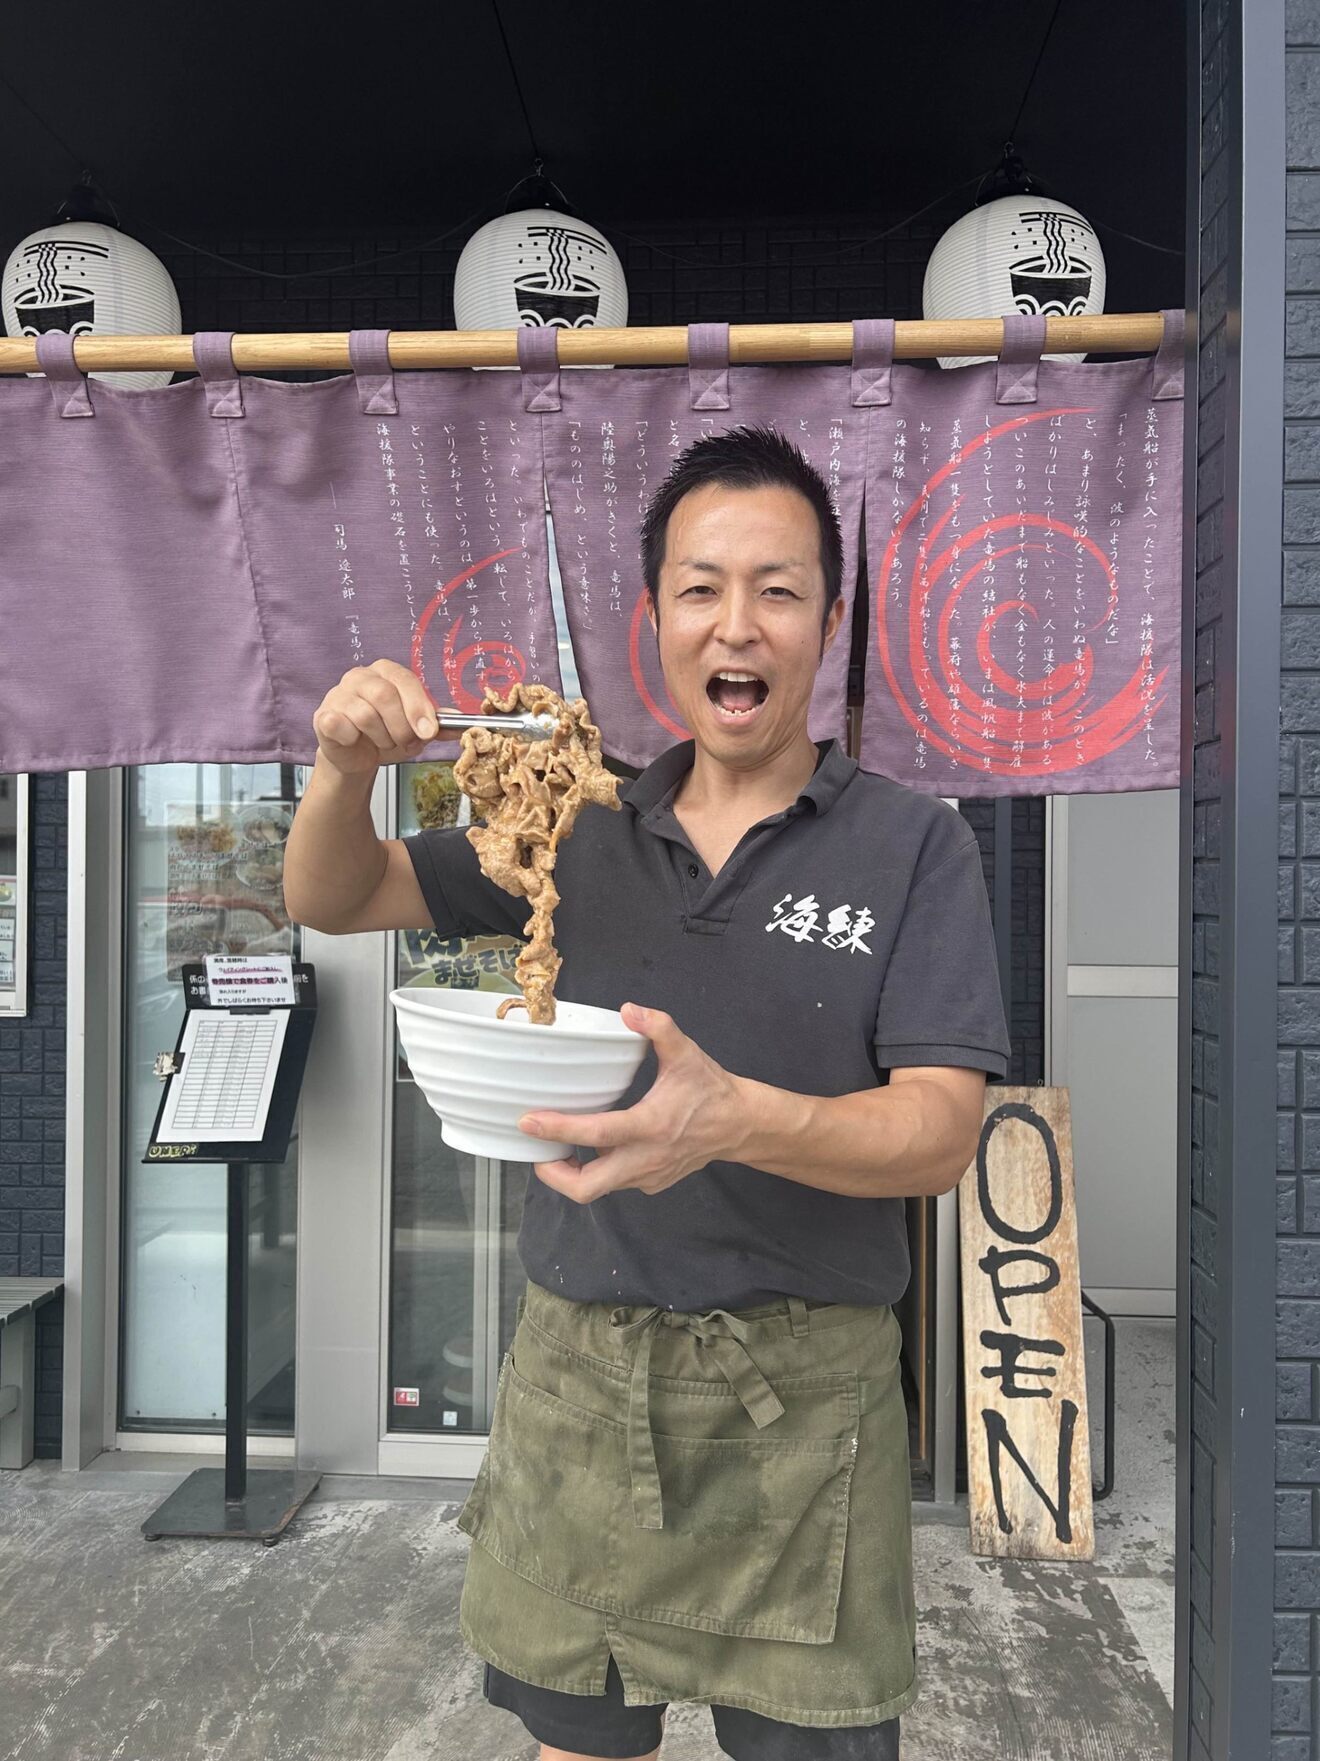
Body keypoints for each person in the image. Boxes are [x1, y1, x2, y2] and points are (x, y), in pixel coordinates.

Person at [283, 425, 1011, 1761]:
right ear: (654, 619)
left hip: (809, 1401)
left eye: (780, 589)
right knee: (577, 1743)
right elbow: (333, 895)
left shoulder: (915, 845)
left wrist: (736, 1118)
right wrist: (343, 768)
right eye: (701, 586)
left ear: (830, 622)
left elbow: (941, 1133)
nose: (739, 623)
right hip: (584, 1371)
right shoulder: (575, 813)